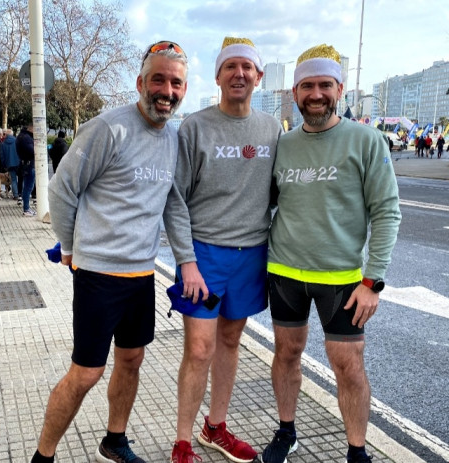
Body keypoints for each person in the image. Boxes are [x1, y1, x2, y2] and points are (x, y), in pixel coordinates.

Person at [31, 40, 188, 463]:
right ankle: (43, 456)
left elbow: (172, 203)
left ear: (183, 90)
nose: (166, 90)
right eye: (158, 79)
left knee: (132, 360)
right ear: (140, 82)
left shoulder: (172, 139)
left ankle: (114, 440)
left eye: (175, 83)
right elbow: (62, 190)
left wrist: (186, 261)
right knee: (86, 373)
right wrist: (68, 246)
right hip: (99, 274)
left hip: (141, 275)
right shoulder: (108, 128)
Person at [262, 44, 401, 463]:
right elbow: (262, 203)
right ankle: (286, 432)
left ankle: (357, 452)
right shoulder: (282, 144)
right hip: (283, 272)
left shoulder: (366, 140)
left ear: (339, 88)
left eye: (325, 85)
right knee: (286, 353)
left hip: (341, 278)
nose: (316, 93)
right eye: (308, 86)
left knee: (348, 364)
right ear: (295, 92)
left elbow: (387, 212)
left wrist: (372, 280)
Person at [163, 36, 282, 463]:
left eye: (247, 68)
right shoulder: (195, 127)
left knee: (230, 341)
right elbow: (175, 199)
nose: (239, 74)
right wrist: (186, 261)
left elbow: (277, 192)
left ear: (259, 76)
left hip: (251, 253)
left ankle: (216, 427)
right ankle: (182, 439)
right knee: (199, 348)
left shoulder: (272, 128)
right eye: (230, 67)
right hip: (204, 254)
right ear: (217, 76)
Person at [15, 122, 36, 216]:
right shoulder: (26, 138)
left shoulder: (21, 136)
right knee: (28, 187)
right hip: (29, 164)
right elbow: (32, 151)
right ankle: (26, 209)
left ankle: (26, 208)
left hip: (24, 163)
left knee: (26, 187)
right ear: (31, 129)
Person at [0, 128, 19, 200]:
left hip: (9, 164)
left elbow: (2, 156)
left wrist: (4, 164)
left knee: (13, 179)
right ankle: (21, 194)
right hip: (18, 163)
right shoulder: (17, 141)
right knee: (21, 178)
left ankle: (16, 195)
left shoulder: (3, 143)